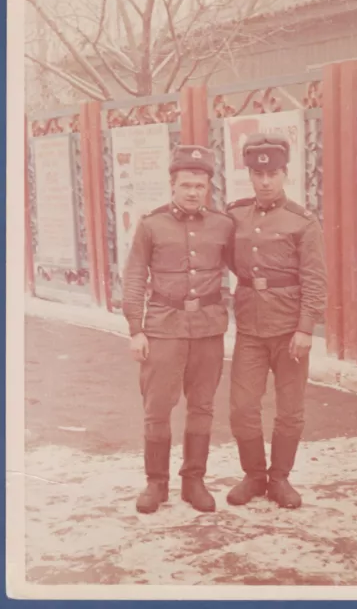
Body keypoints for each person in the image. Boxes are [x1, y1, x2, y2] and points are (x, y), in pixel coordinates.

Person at [122, 145, 234, 515]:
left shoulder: (222, 225)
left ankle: (194, 481)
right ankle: (156, 483)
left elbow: (241, 267)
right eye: (186, 185)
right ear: (172, 185)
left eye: (199, 186)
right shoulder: (151, 225)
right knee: (157, 409)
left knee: (202, 407)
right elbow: (135, 277)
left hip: (207, 329)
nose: (192, 192)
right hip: (163, 328)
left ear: (208, 188)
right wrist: (136, 329)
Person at [226, 133, 327, 509]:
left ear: (285, 174)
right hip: (250, 329)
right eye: (257, 174)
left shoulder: (302, 221)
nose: (265, 181)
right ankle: (254, 475)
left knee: (290, 409)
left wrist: (305, 328)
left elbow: (315, 280)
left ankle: (280, 478)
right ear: (250, 176)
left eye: (272, 174)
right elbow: (229, 261)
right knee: (242, 407)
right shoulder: (234, 215)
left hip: (289, 331)